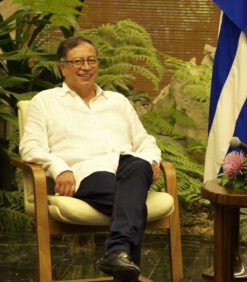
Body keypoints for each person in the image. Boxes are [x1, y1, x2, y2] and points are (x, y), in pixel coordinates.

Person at [19, 36, 162, 281]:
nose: (86, 67)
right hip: (85, 173)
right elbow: (30, 145)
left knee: (139, 164)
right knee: (132, 203)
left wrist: (152, 160)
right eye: (78, 61)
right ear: (62, 67)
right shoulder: (45, 102)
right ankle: (120, 256)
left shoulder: (118, 101)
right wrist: (58, 167)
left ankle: (117, 252)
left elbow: (144, 140)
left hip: (127, 167)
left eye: (91, 60)